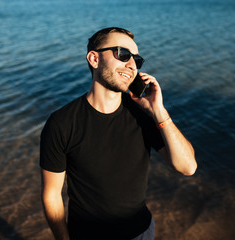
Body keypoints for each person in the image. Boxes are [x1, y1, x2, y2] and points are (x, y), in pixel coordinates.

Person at [40, 27, 197, 240]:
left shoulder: (143, 116)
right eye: (123, 54)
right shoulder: (62, 123)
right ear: (94, 59)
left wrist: (158, 111)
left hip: (141, 232)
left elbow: (187, 167)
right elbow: (51, 195)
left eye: (137, 60)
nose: (131, 65)